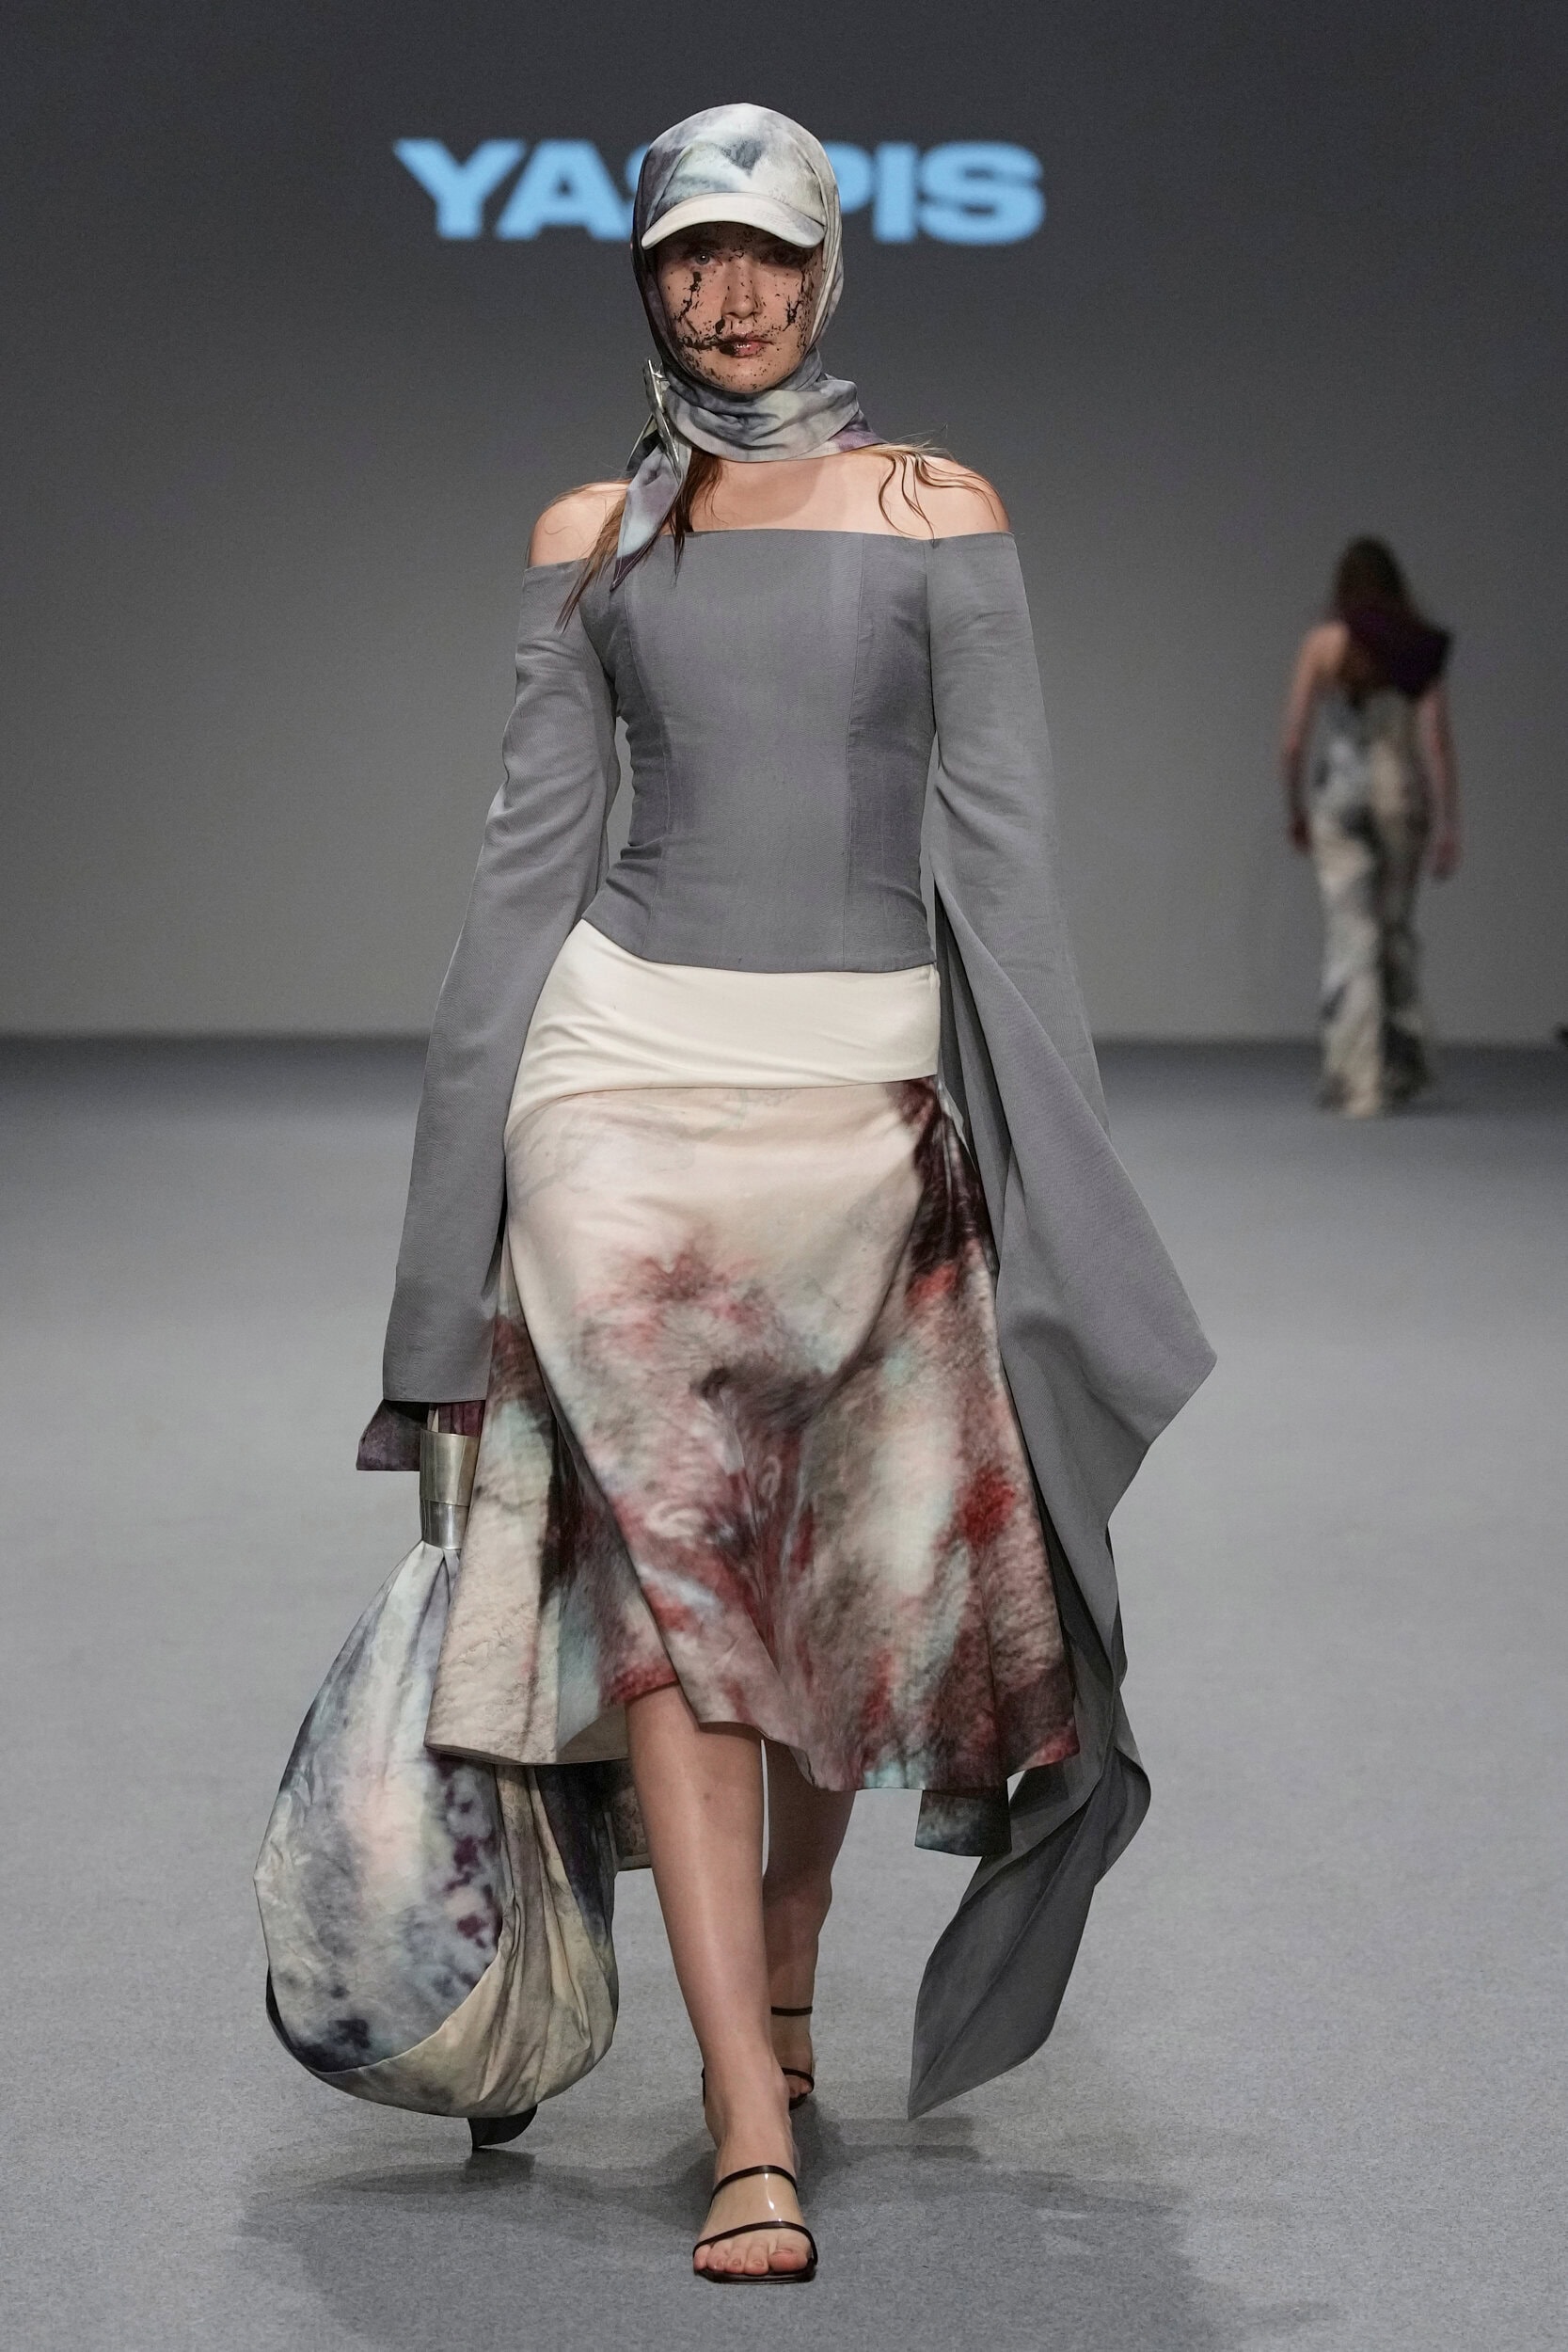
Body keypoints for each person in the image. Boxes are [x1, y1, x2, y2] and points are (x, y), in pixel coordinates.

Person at [357, 104, 1212, 2283]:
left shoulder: (937, 511)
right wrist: (436, 1293)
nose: (723, 295)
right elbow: (517, 890)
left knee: (835, 1592)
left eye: (760, 252)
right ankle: (745, 2106)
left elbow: (1000, 867)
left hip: (864, 1101)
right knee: (674, 1606)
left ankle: (796, 1942)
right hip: (618, 1095)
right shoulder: (591, 534)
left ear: (826, 268)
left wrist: (1057, 1190)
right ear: (641, 278)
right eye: (683, 257)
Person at [1280, 537, 1459, 1115]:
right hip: (1400, 792)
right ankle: (1401, 1066)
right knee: (1395, 928)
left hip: (1340, 791)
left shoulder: (1324, 643)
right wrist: (1448, 822)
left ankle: (1358, 1080)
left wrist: (1295, 808)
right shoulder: (1416, 646)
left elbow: (1294, 739)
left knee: (1352, 930)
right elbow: (1435, 741)